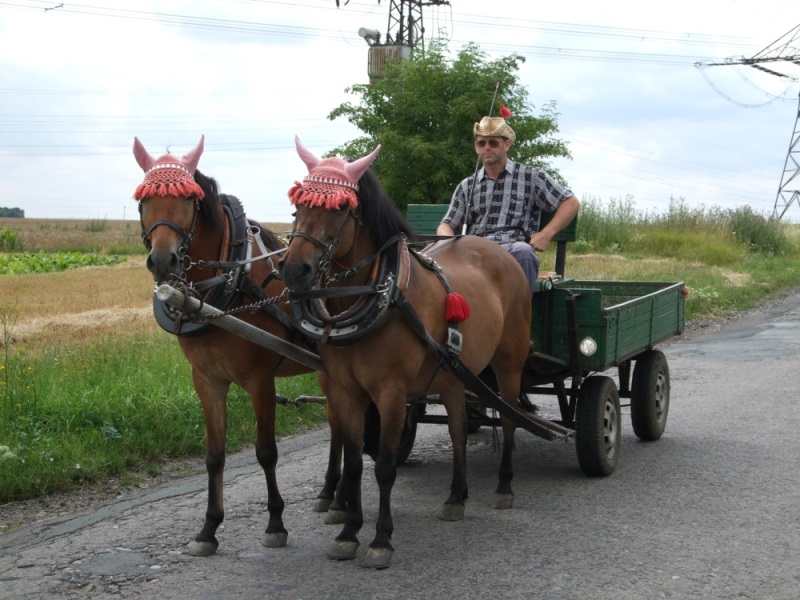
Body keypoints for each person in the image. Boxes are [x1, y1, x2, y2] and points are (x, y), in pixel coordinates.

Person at [436, 115, 580, 296]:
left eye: (493, 143)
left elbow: (570, 202)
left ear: (507, 144)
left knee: (525, 252)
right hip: (475, 250)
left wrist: (546, 233)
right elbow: (446, 224)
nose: (487, 147)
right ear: (476, 147)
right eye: (481, 143)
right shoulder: (467, 185)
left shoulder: (531, 177)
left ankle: (519, 319)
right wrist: (449, 242)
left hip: (514, 248)